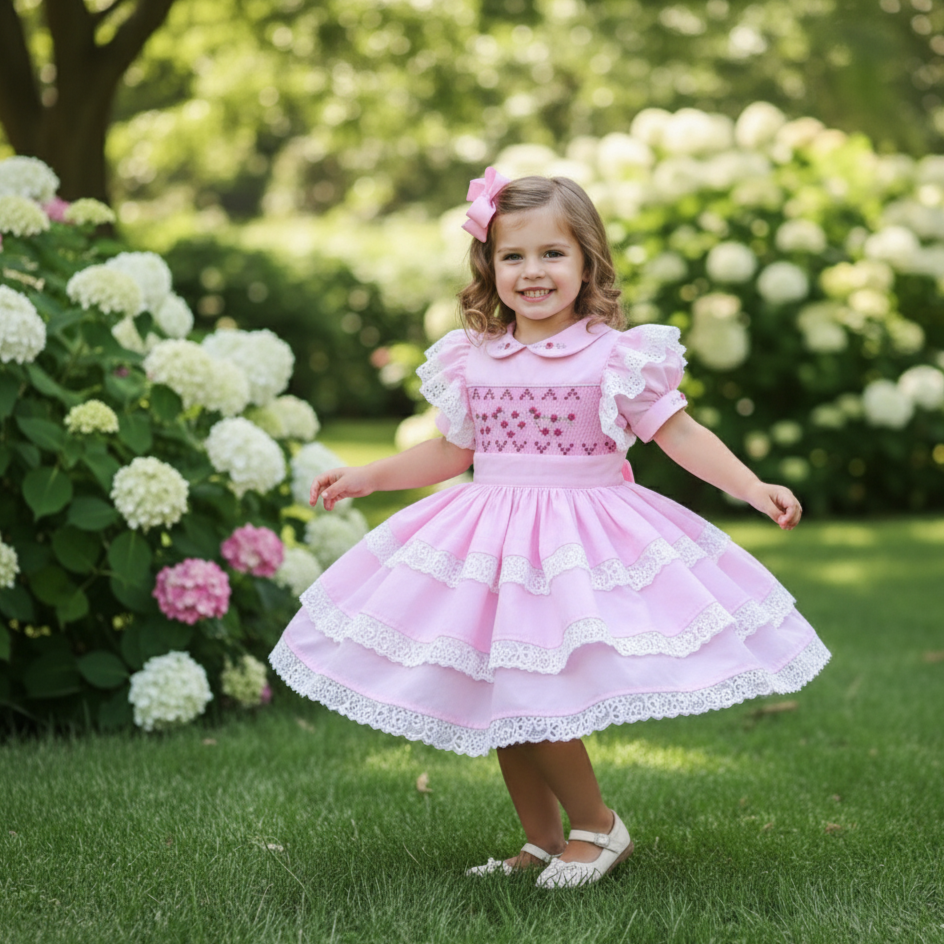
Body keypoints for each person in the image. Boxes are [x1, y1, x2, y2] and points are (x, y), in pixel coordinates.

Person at [268, 168, 830, 889]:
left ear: (588, 260)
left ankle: (598, 826)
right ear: (488, 266)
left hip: (573, 543)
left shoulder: (617, 357)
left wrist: (751, 486)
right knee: (502, 693)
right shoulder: (473, 356)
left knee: (536, 690)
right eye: (513, 256)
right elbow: (451, 450)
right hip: (488, 540)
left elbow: (679, 434)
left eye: (552, 254)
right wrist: (369, 475)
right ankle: (539, 840)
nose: (533, 272)